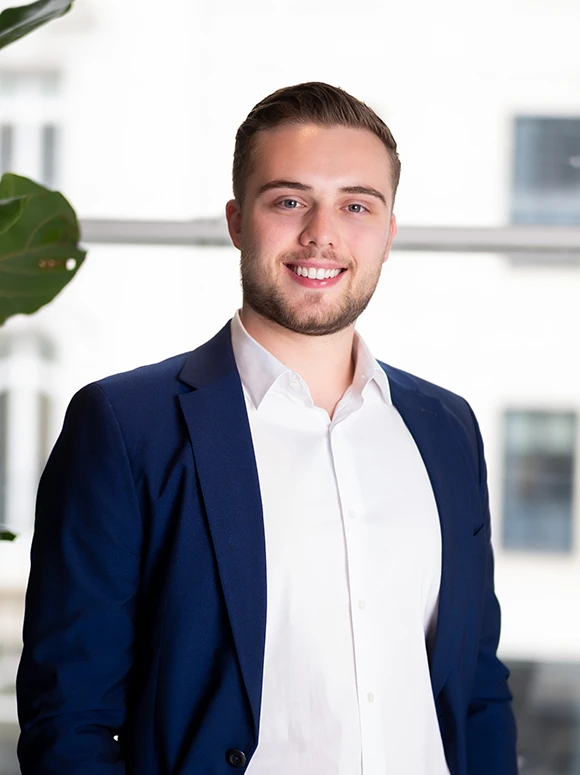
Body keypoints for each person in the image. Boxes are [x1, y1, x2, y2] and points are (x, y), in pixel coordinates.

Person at [17, 82, 517, 775]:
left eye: (355, 204)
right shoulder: (126, 425)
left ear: (389, 230)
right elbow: (68, 716)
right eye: (289, 200)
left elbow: (478, 691)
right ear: (236, 221)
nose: (322, 232)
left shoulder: (445, 427)